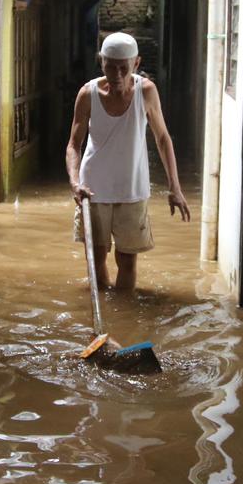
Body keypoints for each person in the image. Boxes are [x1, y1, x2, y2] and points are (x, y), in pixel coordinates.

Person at [66, 32, 190, 292]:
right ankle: (109, 315)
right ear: (101, 62)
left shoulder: (146, 91)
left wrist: (175, 188)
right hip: (93, 189)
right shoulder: (87, 94)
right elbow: (74, 145)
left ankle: (124, 316)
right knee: (96, 259)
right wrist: (75, 182)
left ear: (136, 64)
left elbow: (163, 139)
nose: (117, 75)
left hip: (132, 189)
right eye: (110, 67)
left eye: (124, 68)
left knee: (127, 261)